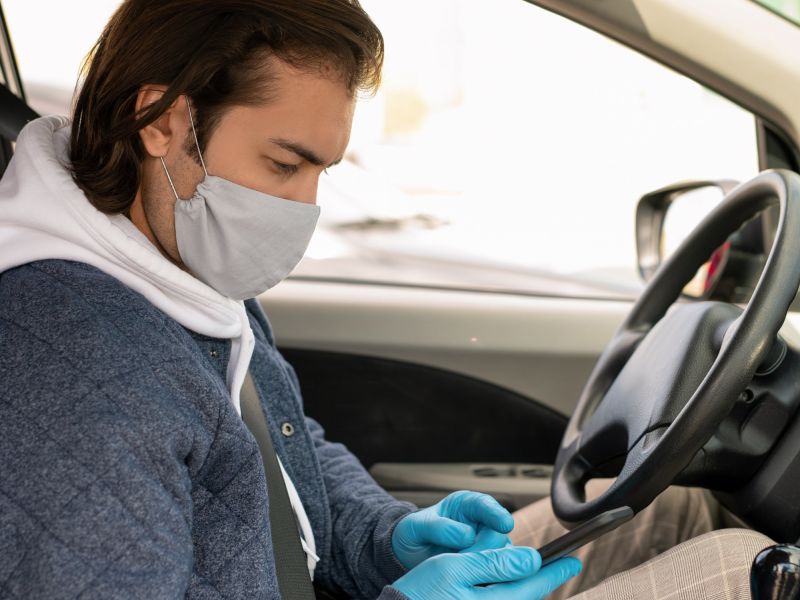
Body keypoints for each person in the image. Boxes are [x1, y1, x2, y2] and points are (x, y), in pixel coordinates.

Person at [0, 1, 772, 599]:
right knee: (747, 574)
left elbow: (281, 451)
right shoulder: (72, 370)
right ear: (166, 121)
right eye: (283, 163)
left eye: (320, 172)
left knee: (676, 510)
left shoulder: (172, 263)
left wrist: (392, 535)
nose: (303, 206)